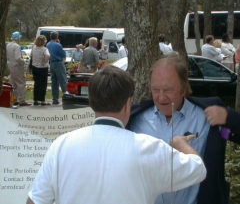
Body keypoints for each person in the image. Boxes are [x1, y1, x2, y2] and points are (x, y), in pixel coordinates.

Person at [26, 65, 207, 204]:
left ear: (91, 102)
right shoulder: (148, 148)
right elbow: (198, 169)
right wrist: (179, 143)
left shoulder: (61, 146)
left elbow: (35, 200)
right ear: (128, 103)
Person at [127, 54, 240, 204]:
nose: (161, 97)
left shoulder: (208, 117)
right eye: (155, 89)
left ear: (183, 87)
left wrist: (228, 117)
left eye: (168, 90)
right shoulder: (134, 119)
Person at [6, 31, 31, 106]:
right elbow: (18, 58)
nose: (20, 39)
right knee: (21, 83)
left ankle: (14, 99)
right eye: (19, 37)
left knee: (13, 83)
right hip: (17, 66)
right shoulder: (16, 46)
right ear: (17, 38)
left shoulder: (8, 45)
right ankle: (22, 100)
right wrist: (23, 61)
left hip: (10, 65)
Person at [46, 31, 67, 105]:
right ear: (57, 37)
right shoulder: (58, 45)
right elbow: (63, 54)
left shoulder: (47, 44)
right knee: (63, 81)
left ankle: (55, 99)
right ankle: (66, 98)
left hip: (51, 63)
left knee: (54, 82)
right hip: (58, 63)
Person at [31, 35, 50, 106]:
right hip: (42, 68)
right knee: (43, 84)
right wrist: (44, 62)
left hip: (35, 67)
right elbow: (48, 56)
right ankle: (42, 100)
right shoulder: (44, 49)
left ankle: (35, 100)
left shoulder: (34, 48)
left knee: (36, 84)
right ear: (44, 42)